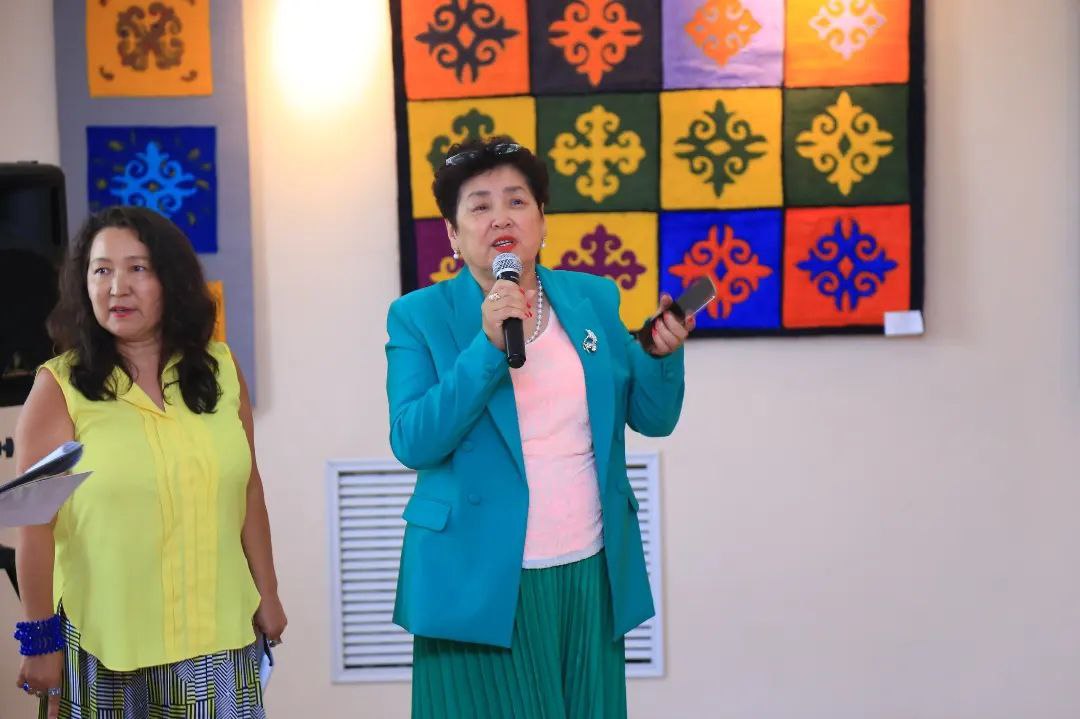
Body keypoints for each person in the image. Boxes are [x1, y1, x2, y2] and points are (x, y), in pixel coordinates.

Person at [385, 137, 693, 717]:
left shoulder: (592, 298)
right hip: (475, 576)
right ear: (453, 234)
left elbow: (653, 418)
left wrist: (661, 356)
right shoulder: (418, 316)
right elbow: (413, 441)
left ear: (542, 220)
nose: (500, 217)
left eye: (516, 201)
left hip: (589, 567)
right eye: (479, 206)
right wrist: (486, 347)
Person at [12, 206, 286, 718]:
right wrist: (39, 640)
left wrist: (267, 592)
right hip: (106, 645)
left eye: (137, 268)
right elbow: (34, 526)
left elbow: (248, 488)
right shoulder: (59, 388)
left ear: (171, 281)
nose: (117, 287)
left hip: (218, 641)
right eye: (101, 270)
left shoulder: (221, 368)